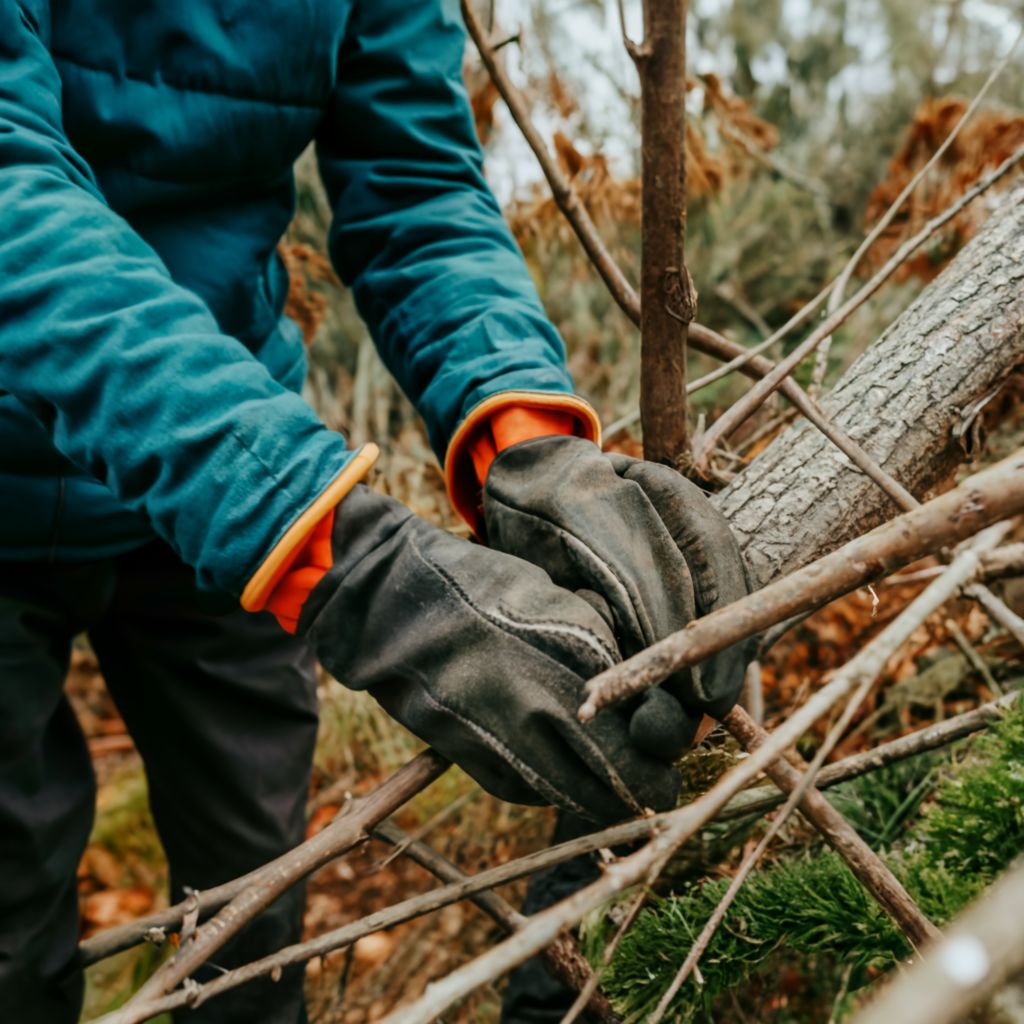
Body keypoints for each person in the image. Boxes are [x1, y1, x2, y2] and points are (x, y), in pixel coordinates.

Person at [0, 1, 749, 1020]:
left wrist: (525, 444)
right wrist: (350, 561)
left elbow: (417, 188)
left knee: (249, 919)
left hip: (220, 482)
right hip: (207, 473)